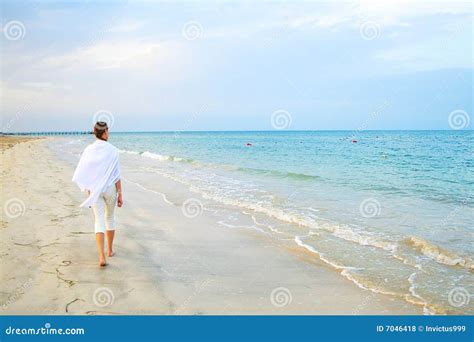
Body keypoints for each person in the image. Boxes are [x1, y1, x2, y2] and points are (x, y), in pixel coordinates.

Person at [72, 122, 123, 267]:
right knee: (110, 217)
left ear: (95, 133)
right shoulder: (113, 150)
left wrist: (89, 190)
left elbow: (85, 170)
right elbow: (117, 174)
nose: (108, 133)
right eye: (108, 131)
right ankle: (110, 250)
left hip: (95, 189)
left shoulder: (89, 149)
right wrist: (120, 194)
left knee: (99, 220)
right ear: (105, 132)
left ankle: (101, 256)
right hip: (110, 189)